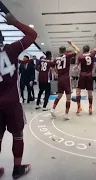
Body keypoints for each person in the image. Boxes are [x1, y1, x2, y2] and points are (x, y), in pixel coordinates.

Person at [0, 13, 37, 179]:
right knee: (18, 135)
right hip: (13, 103)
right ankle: (17, 168)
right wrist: (15, 22)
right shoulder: (11, 49)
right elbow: (32, 35)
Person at [51, 40, 80, 120]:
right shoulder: (67, 56)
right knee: (68, 98)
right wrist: (71, 44)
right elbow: (78, 50)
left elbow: (51, 67)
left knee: (59, 95)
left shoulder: (56, 59)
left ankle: (52, 109)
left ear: (59, 51)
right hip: (66, 78)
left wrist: (55, 74)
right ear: (65, 51)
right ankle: (66, 114)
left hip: (59, 79)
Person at [73, 45, 96, 115]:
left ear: (83, 50)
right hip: (90, 76)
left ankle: (79, 107)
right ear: (89, 49)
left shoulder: (80, 57)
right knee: (90, 93)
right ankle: (90, 108)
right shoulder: (92, 54)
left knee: (78, 91)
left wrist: (74, 68)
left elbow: (76, 65)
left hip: (82, 75)